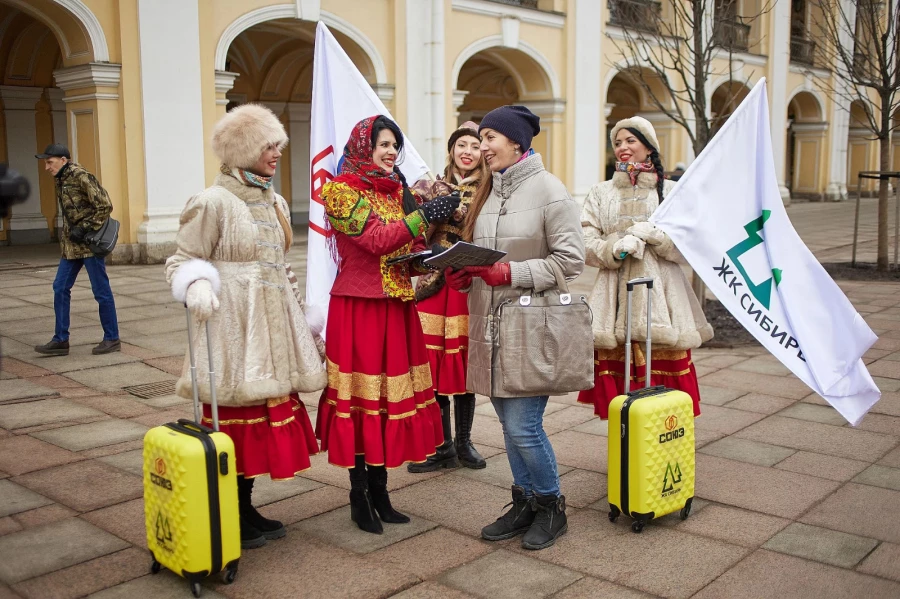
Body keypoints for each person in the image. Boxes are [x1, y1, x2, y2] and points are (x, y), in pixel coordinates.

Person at [165, 104, 327, 549]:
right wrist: (195, 284)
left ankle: (244, 507)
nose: (276, 153)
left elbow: (280, 266)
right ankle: (229, 511)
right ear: (242, 151)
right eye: (267, 146)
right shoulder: (211, 201)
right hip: (232, 328)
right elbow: (182, 259)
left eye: (278, 145)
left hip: (273, 325)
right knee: (234, 420)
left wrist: (304, 318)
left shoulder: (273, 200)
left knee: (262, 421)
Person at [446, 105, 584, 550]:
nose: (481, 147)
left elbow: (571, 261)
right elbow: (482, 256)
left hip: (531, 325)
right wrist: (461, 273)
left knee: (524, 425)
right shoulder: (488, 192)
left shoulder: (551, 190)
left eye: (489, 138)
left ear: (517, 142)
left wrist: (511, 274)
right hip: (489, 323)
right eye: (481, 139)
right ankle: (524, 501)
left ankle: (551, 505)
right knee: (508, 423)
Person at [316, 115, 460, 535]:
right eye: (382, 144)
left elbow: (406, 251)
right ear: (364, 147)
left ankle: (381, 491)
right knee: (363, 401)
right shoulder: (339, 192)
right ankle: (358, 493)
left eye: (394, 145)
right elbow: (377, 240)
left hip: (396, 308)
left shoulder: (396, 190)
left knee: (388, 401)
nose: (391, 152)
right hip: (358, 308)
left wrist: (437, 253)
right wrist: (422, 215)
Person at [577, 116, 712, 421]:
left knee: (664, 382)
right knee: (619, 382)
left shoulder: (673, 190)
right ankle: (627, 450)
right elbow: (584, 240)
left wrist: (658, 237)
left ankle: (663, 444)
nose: (622, 147)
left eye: (630, 140)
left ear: (649, 146)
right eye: (617, 142)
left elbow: (692, 245)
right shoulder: (601, 192)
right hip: (614, 296)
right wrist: (612, 249)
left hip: (662, 297)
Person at [408, 122, 490, 473]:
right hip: (430, 285)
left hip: (462, 286)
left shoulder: (489, 189)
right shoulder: (431, 187)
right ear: (452, 150)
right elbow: (413, 230)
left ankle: (464, 443)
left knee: (461, 368)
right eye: (461, 145)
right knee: (433, 367)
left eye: (474, 145)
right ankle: (441, 446)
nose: (467, 151)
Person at [34, 143, 120, 356]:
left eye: (50, 162)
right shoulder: (61, 179)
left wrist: (85, 228)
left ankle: (112, 338)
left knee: (101, 291)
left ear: (63, 160)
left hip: (89, 244)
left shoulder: (82, 176)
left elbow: (105, 205)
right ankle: (60, 340)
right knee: (59, 287)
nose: (47, 167)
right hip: (71, 247)